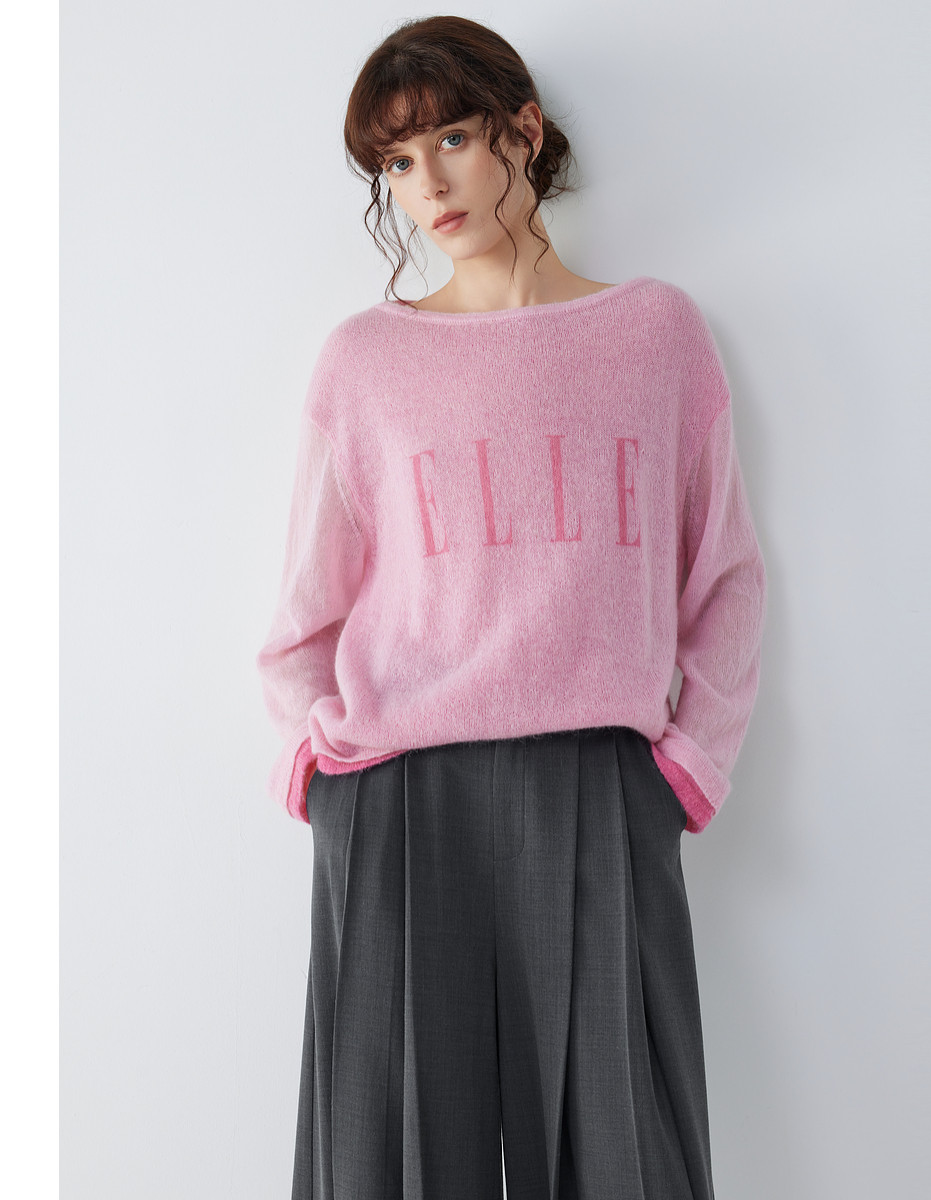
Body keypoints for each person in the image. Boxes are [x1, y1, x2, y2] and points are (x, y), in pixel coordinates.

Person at [255, 15, 768, 1200]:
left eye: (449, 139)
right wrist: (320, 779)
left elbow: (728, 577)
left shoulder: (657, 333)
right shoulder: (363, 362)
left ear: (522, 131)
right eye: (396, 161)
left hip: (602, 790)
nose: (425, 186)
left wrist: (687, 769)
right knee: (387, 1165)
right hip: (398, 803)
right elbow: (301, 619)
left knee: (628, 1155)